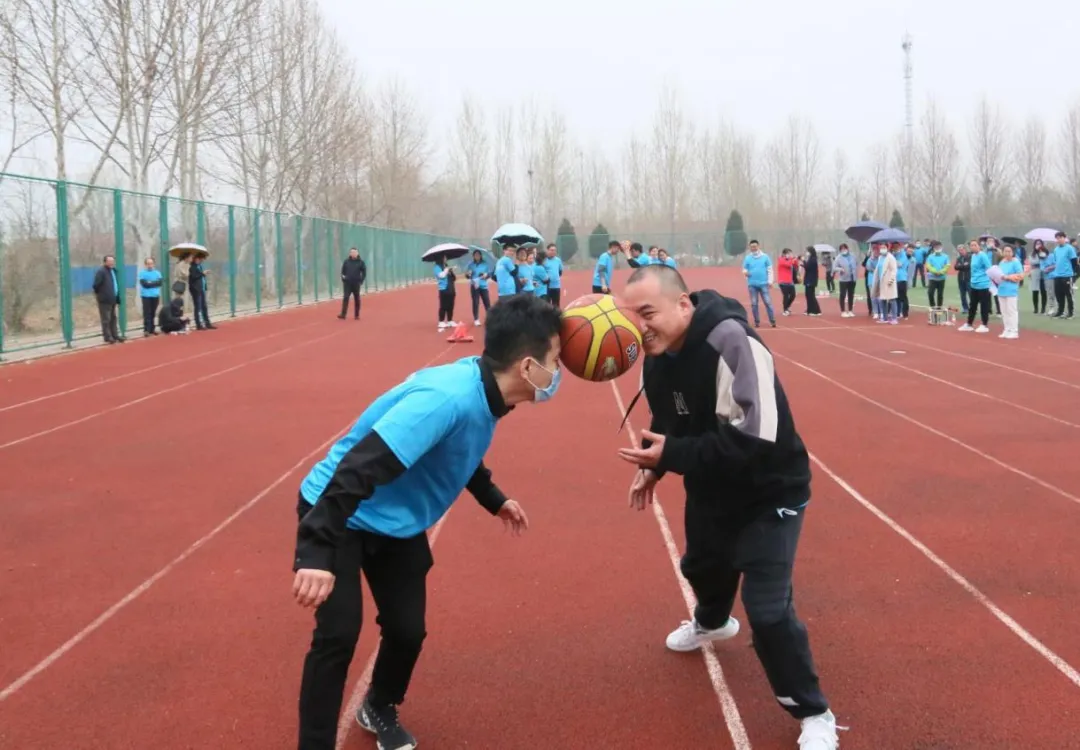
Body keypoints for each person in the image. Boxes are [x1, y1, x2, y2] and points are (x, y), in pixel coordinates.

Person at [291, 293, 563, 750]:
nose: (559, 374)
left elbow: (459, 451)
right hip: (339, 510)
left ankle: (378, 705)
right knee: (338, 634)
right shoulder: (446, 400)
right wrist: (316, 551)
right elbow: (357, 469)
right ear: (528, 367)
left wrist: (493, 498)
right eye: (555, 361)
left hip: (393, 522)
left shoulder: (486, 393)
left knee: (406, 629)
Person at [616, 264, 839, 750]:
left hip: (769, 492)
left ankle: (814, 713)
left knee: (769, 612)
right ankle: (713, 622)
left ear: (683, 304)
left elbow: (756, 439)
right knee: (701, 566)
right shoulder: (656, 355)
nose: (640, 326)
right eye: (631, 316)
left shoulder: (732, 340)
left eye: (648, 312)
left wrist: (671, 456)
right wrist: (657, 463)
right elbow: (669, 412)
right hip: (713, 486)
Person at [741, 239, 776, 328]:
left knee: (768, 302)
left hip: (763, 284)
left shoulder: (765, 257)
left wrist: (770, 281)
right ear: (750, 247)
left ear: (758, 246)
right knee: (754, 303)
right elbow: (744, 269)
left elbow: (770, 269)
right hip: (752, 284)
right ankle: (757, 321)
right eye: (752, 247)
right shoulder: (748, 258)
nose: (753, 248)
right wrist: (745, 273)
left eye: (755, 246)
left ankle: (772, 320)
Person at [92, 254, 125, 344]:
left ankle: (115, 335)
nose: (111, 263)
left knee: (113, 318)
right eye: (109, 261)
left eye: (112, 261)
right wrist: (102, 294)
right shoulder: (101, 271)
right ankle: (107, 336)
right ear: (105, 262)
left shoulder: (113, 271)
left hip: (113, 298)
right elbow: (96, 285)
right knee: (106, 319)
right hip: (104, 299)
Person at [995, 245, 1024, 339]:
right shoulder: (1002, 262)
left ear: (1013, 252)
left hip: (1011, 290)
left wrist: (1007, 277)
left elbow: (1020, 275)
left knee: (1011, 311)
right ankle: (1007, 329)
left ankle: (1014, 330)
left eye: (1009, 251)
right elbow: (999, 274)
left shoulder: (1015, 262)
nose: (1007, 253)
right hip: (1001, 289)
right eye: (1005, 251)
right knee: (1004, 311)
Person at [339, 247, 367, 320]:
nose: (353, 253)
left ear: (357, 253)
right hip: (347, 283)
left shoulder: (361, 262)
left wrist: (361, 281)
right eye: (352, 252)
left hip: (356, 284)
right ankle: (343, 314)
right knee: (345, 298)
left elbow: (364, 272)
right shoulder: (346, 262)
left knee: (357, 299)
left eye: (354, 252)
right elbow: (343, 271)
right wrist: (343, 279)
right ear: (350, 253)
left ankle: (356, 315)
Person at [832, 244, 858, 317]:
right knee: (843, 294)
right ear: (840, 250)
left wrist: (854, 271)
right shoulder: (838, 258)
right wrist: (840, 269)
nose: (844, 250)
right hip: (843, 279)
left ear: (847, 248)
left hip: (852, 278)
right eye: (842, 249)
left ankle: (850, 310)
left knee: (851, 295)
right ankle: (843, 311)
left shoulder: (853, 256)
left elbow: (856, 264)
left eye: (845, 248)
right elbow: (834, 268)